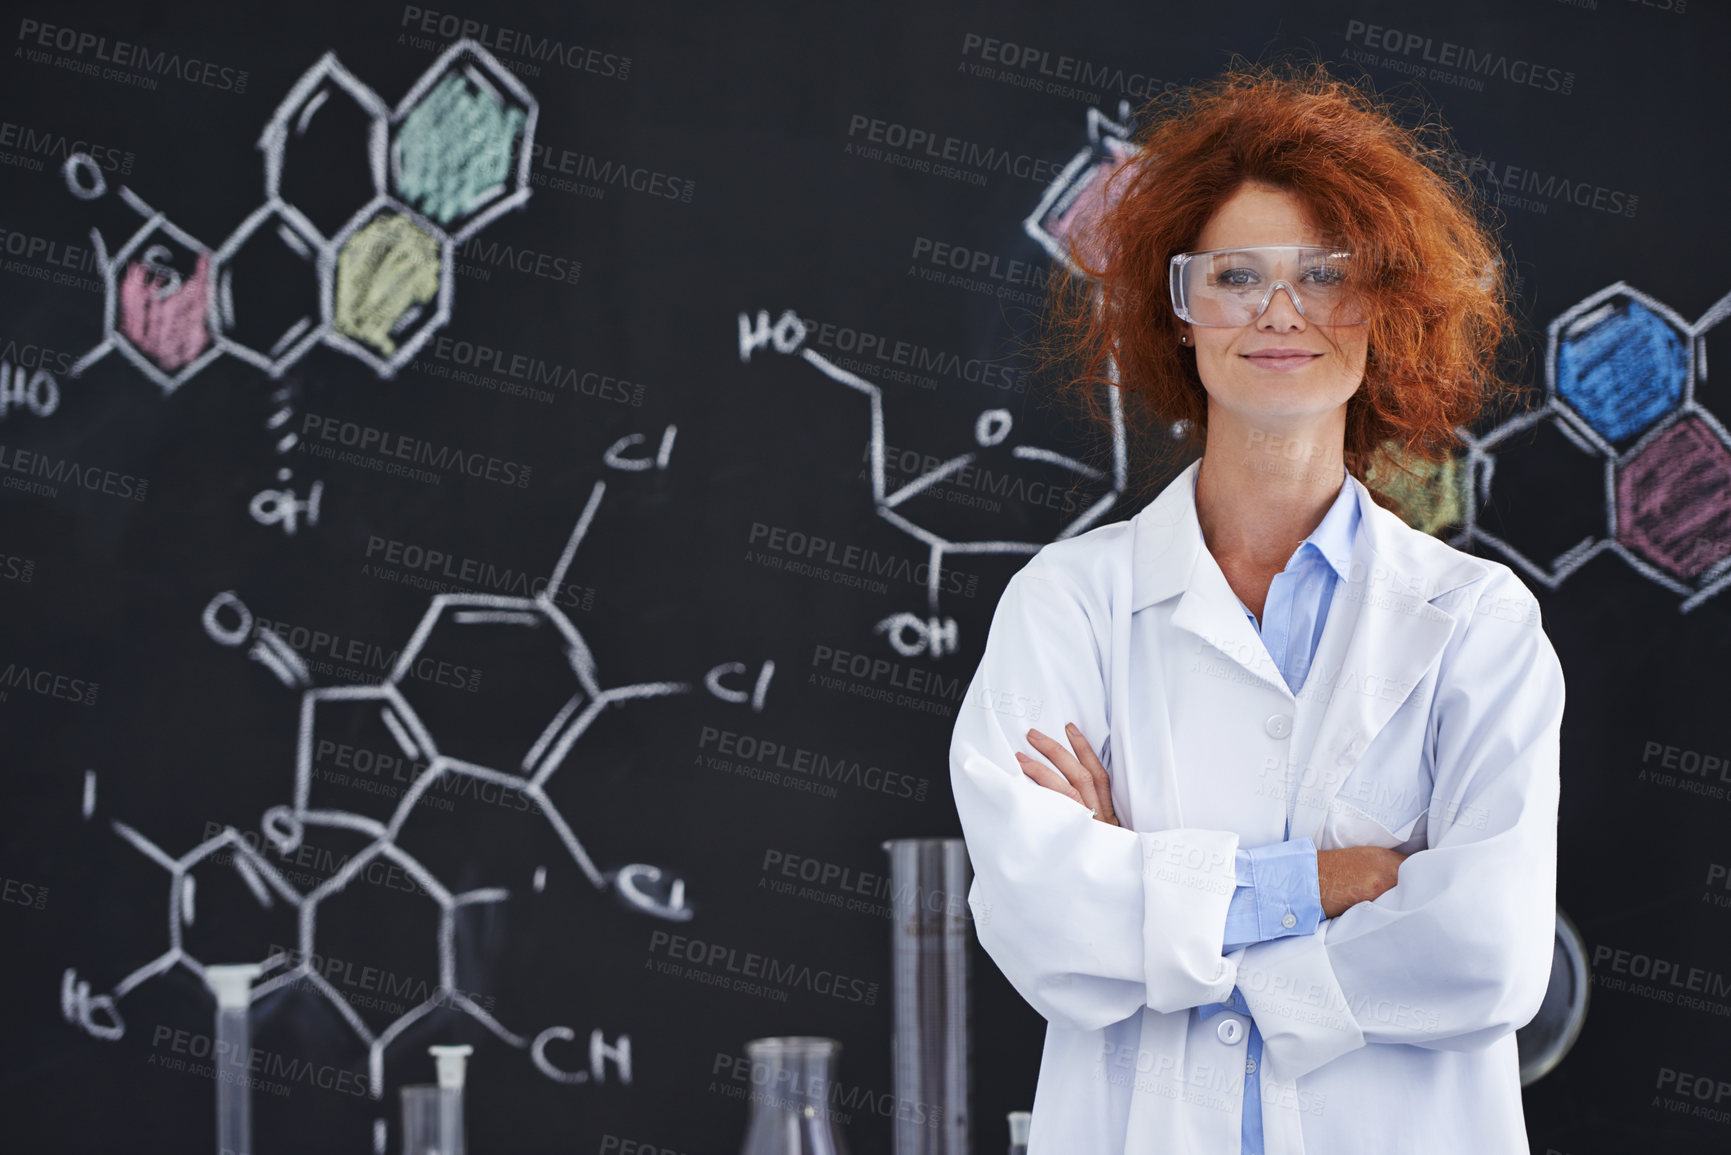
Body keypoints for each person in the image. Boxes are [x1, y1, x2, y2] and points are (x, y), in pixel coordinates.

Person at [949, 60, 1565, 1155]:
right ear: (1177, 314)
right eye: (1235, 276)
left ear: (1385, 308)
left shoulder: (1479, 622)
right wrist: (1334, 883)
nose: (1281, 313)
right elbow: (1039, 919)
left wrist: (1153, 906)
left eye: (1326, 274)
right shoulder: (1068, 604)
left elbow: (1488, 952)